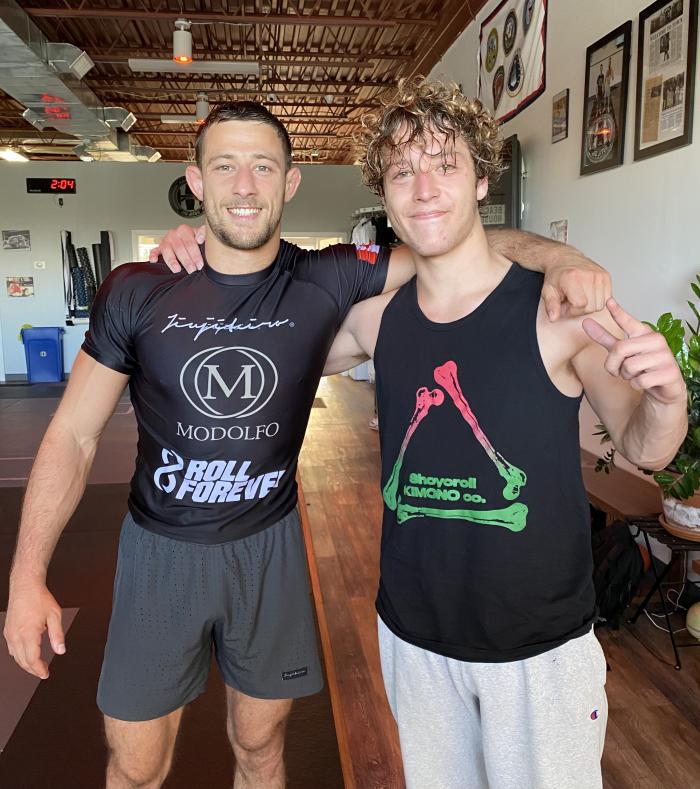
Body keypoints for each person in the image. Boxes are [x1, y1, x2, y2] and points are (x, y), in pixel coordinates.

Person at [5, 100, 610, 789]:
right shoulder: (138, 289)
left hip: (270, 546)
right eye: (224, 167)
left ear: (289, 182)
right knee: (136, 764)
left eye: (263, 167)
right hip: (161, 549)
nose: (244, 185)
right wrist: (26, 578)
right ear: (196, 181)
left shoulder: (328, 277)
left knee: (260, 744)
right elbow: (74, 434)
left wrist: (565, 259)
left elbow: (457, 238)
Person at [316, 79, 686, 789]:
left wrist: (668, 397)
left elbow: (647, 448)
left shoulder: (562, 312)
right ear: (385, 197)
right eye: (402, 171)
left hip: (540, 651)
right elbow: (270, 351)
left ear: (482, 181)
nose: (425, 188)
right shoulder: (374, 321)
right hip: (414, 638)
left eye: (445, 164)